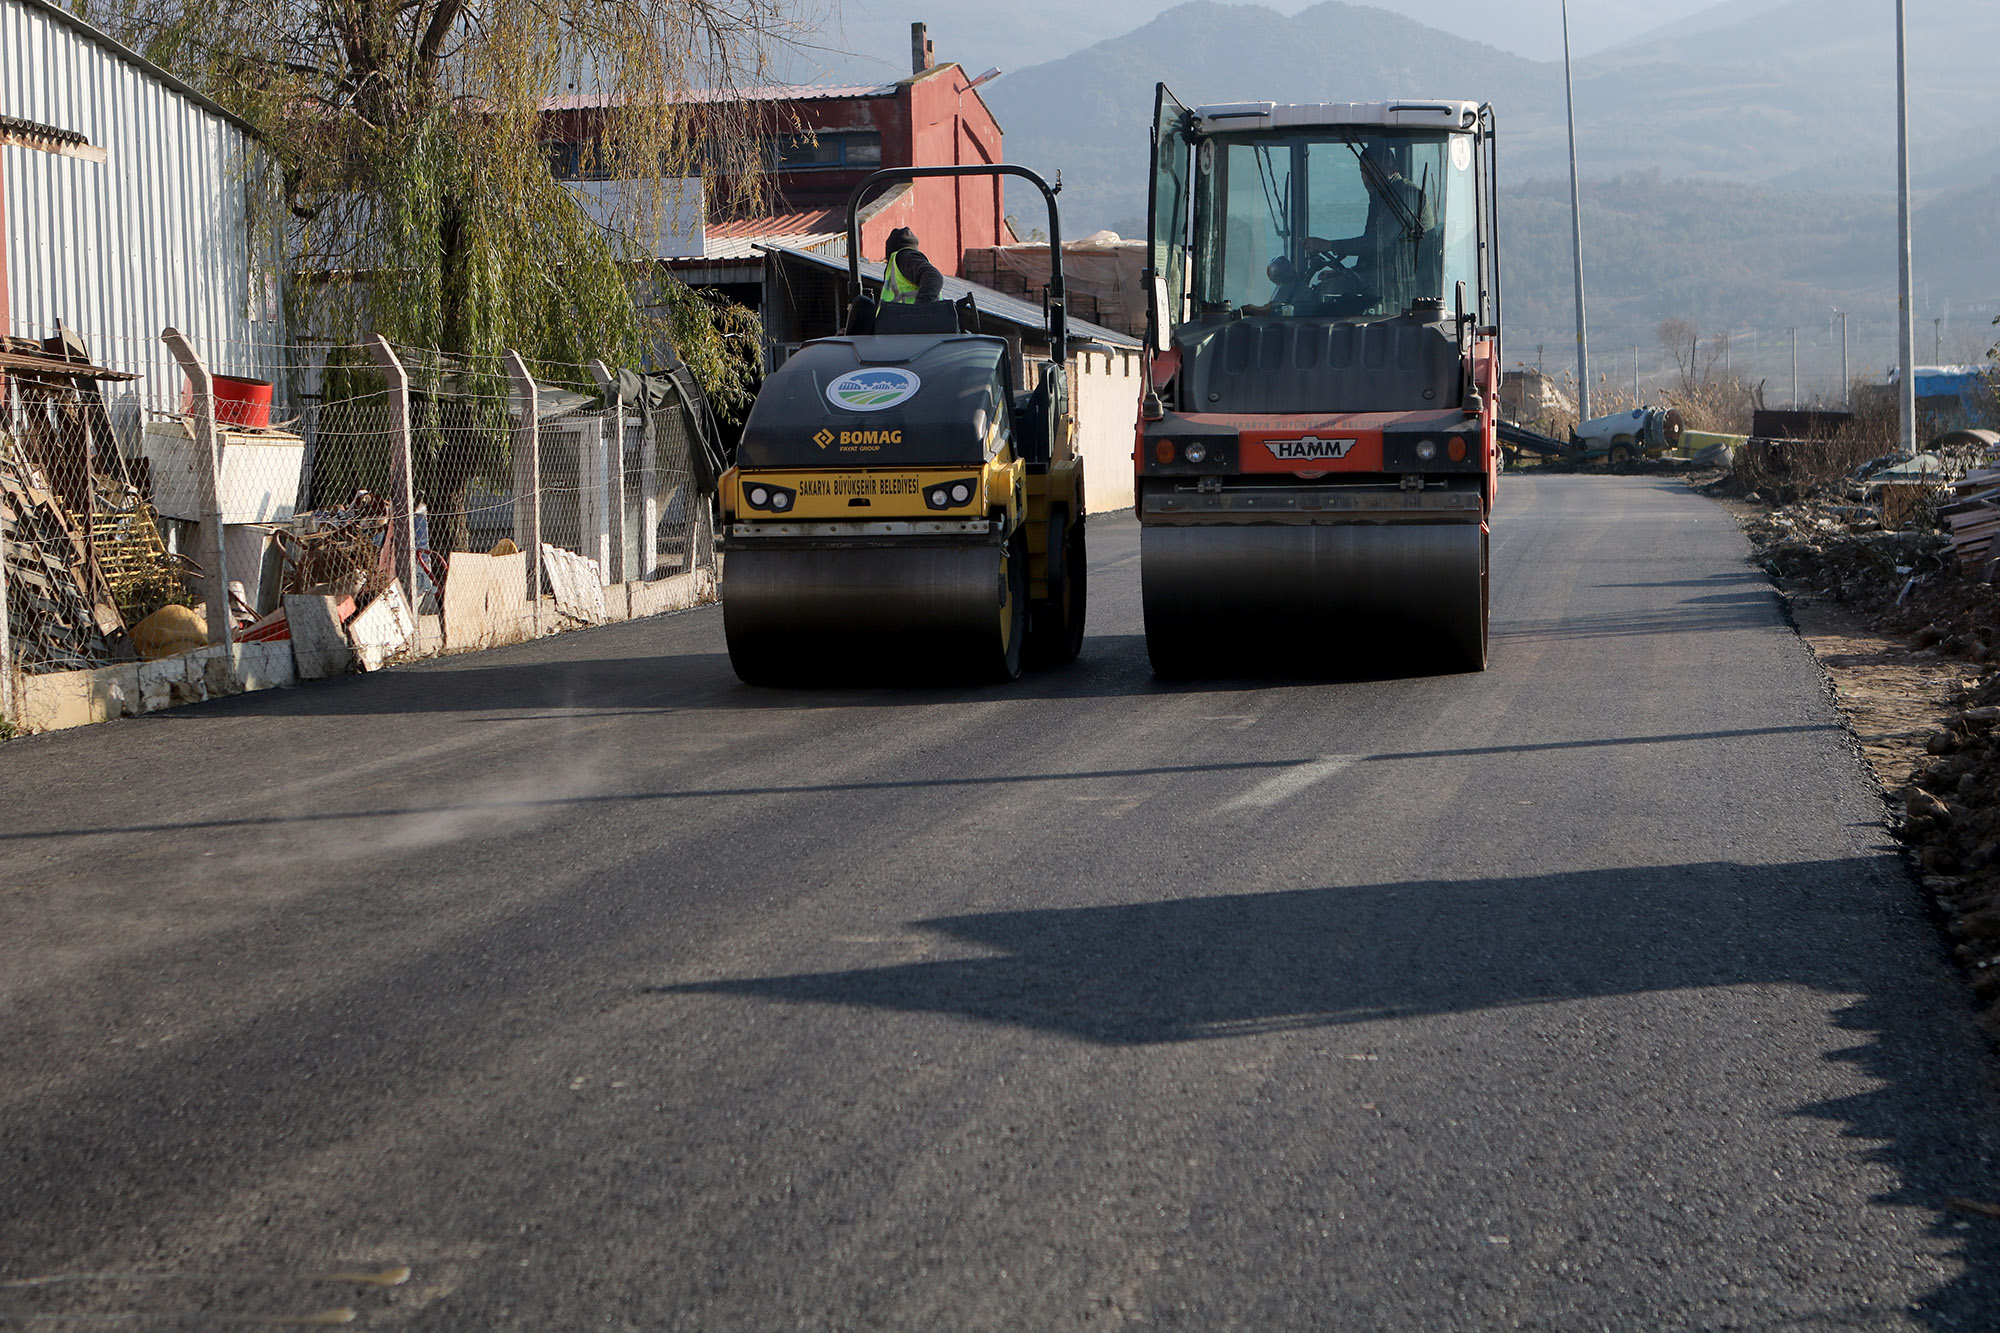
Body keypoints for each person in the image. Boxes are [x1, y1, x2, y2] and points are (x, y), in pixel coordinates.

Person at [846, 226, 946, 332]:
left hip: (913, 334)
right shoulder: (898, 267)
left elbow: (934, 277)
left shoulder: (904, 257)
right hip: (901, 334)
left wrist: (920, 310)